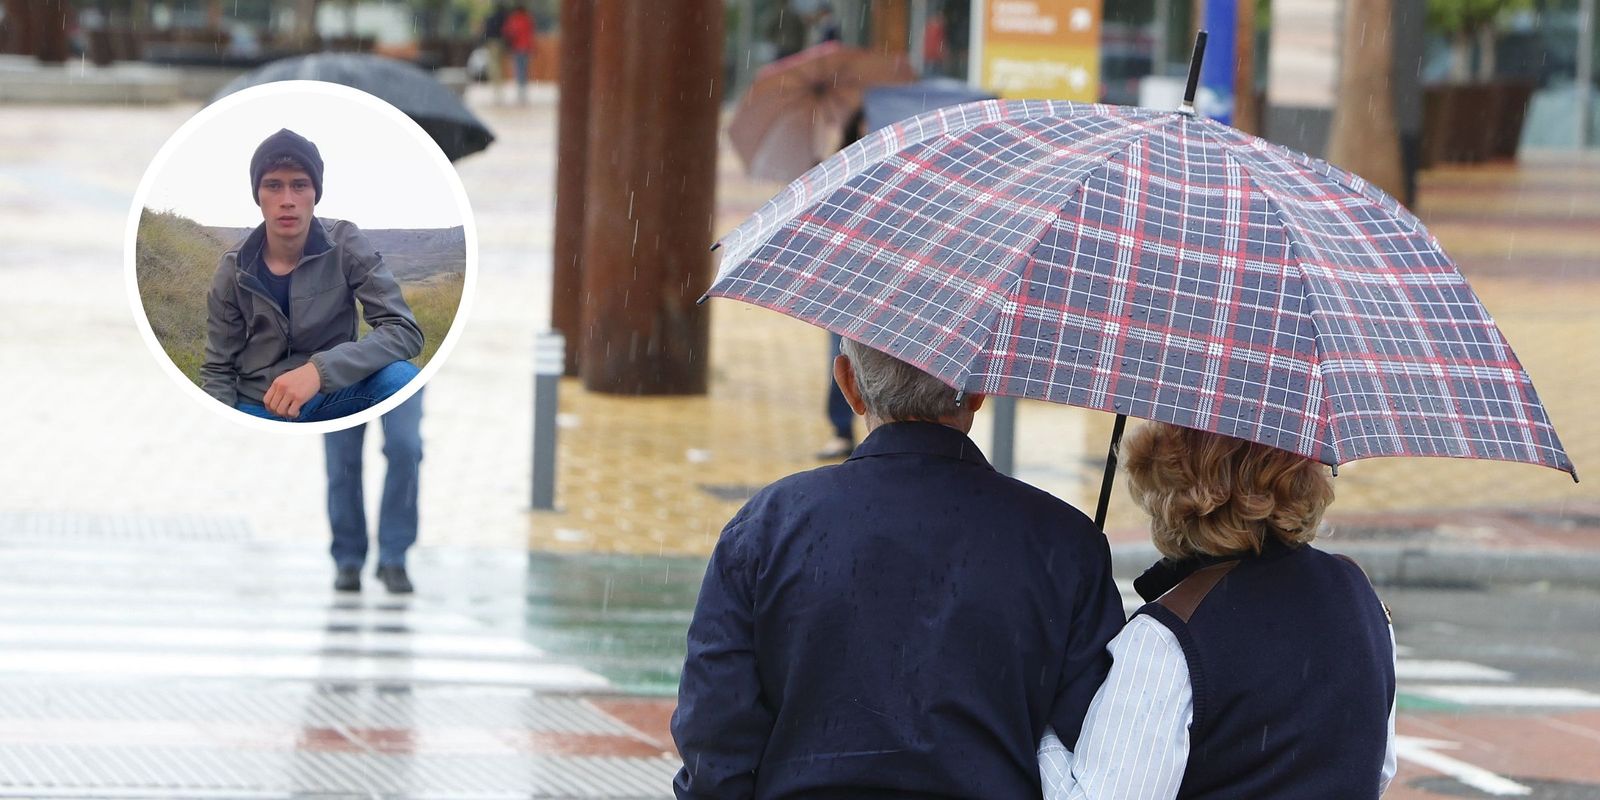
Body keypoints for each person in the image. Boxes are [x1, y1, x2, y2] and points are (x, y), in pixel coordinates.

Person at [672, 337, 1124, 798]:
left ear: (848, 382)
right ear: (977, 389)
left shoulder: (768, 527)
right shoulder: (1065, 543)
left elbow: (715, 737)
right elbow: (1097, 747)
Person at [1038, 422, 1397, 799]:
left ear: (1172, 482)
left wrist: (1040, 724)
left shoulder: (1169, 635)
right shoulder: (1356, 591)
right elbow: (1379, 769)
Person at [200, 128, 426, 593]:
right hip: (263, 401)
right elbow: (217, 369)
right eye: (274, 186)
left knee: (406, 429)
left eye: (299, 185)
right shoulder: (233, 269)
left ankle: (395, 557)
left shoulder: (346, 243)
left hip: (341, 384)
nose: (287, 199)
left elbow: (404, 331)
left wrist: (319, 372)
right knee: (342, 464)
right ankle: (347, 560)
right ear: (257, 196)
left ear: (315, 194)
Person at [501, 3, 536, 105]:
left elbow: (507, 31)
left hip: (516, 47)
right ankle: (524, 89)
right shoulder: (528, 19)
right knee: (525, 68)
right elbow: (531, 34)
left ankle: (520, 89)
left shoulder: (513, 19)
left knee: (518, 68)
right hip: (526, 47)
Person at [481, 2, 509, 102]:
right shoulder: (504, 18)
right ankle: (498, 86)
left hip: (493, 42)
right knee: (498, 65)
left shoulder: (491, 18)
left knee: (494, 65)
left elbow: (486, 30)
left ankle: (497, 86)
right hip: (501, 42)